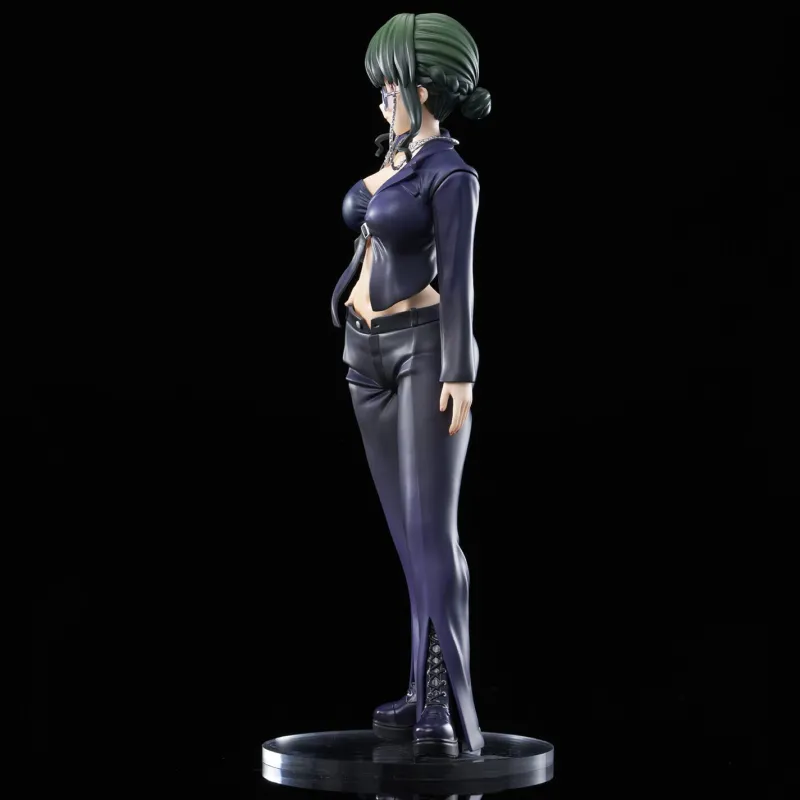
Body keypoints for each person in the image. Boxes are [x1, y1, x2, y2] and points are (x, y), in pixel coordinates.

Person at [330, 11, 492, 758]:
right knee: (405, 535)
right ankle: (416, 688)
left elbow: (459, 280)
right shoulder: (397, 158)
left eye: (388, 86)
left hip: (423, 354)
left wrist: (460, 371)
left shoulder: (452, 176)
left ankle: (447, 705)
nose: (380, 99)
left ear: (421, 90)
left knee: (432, 534)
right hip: (363, 357)